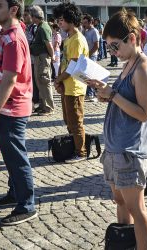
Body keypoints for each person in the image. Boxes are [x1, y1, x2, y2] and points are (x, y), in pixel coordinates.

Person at [86, 9, 147, 250]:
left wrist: (113, 95)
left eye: (115, 46)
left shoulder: (144, 68)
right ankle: (125, 244)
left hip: (131, 150)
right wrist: (105, 92)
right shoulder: (129, 64)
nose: (113, 52)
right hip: (116, 146)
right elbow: (124, 100)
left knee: (137, 208)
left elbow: (144, 113)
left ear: (133, 38)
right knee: (119, 200)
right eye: (110, 48)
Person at [0, 0, 37, 225]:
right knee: (10, 155)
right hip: (8, 105)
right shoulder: (7, 34)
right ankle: (15, 192)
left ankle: (27, 205)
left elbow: (10, 78)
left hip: (12, 107)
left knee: (17, 157)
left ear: (14, 9)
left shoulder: (14, 39)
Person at [53, 2, 89, 164]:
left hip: (75, 86)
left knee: (75, 121)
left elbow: (73, 66)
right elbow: (64, 63)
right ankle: (74, 148)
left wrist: (58, 80)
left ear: (71, 20)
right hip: (67, 85)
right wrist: (59, 81)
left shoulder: (77, 40)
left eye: (62, 19)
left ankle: (81, 152)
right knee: (69, 120)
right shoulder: (69, 39)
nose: (59, 23)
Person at [29, 5, 54, 116]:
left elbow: (48, 45)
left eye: (31, 16)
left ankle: (48, 107)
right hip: (39, 57)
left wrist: (52, 57)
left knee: (44, 81)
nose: (30, 18)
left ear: (35, 17)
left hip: (43, 57)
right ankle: (43, 105)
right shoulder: (40, 26)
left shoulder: (43, 27)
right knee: (40, 81)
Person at [82, 14, 100, 102]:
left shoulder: (94, 31)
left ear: (90, 22)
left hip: (92, 55)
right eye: (83, 23)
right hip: (86, 55)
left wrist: (88, 54)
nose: (83, 24)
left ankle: (91, 94)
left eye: (85, 23)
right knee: (86, 75)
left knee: (90, 75)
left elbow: (96, 45)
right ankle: (88, 92)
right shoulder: (85, 31)